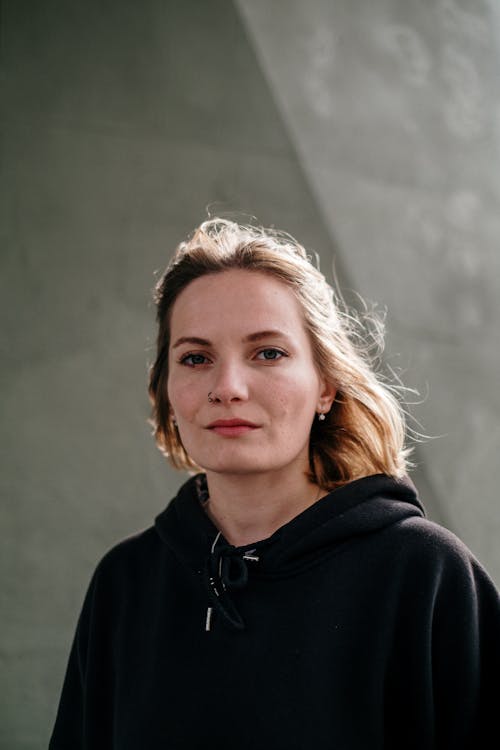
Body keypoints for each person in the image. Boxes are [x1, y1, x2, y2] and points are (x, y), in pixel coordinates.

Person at [49, 218, 500, 749]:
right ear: (167, 390)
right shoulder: (125, 585)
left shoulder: (426, 575)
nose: (228, 387)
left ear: (326, 386)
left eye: (268, 353)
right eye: (196, 358)